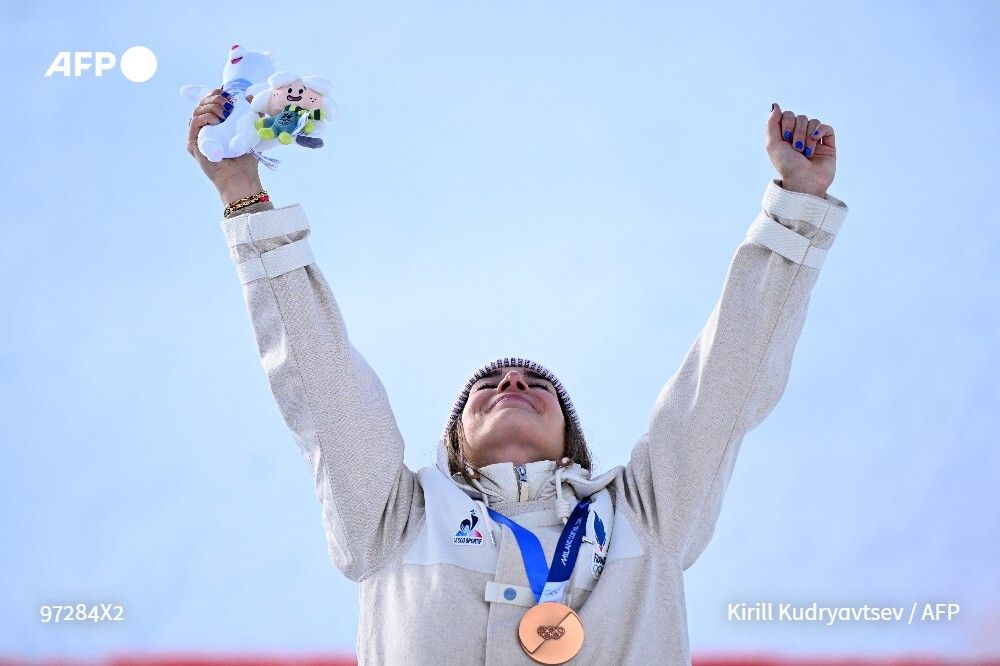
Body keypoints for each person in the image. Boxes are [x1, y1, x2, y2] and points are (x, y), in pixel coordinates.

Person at [187, 92, 849, 664]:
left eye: (535, 382)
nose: (511, 382)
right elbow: (324, 386)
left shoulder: (645, 515)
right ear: (452, 442)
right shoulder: (394, 521)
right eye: (488, 385)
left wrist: (796, 206)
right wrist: (244, 199)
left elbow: (725, 381)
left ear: (572, 440)